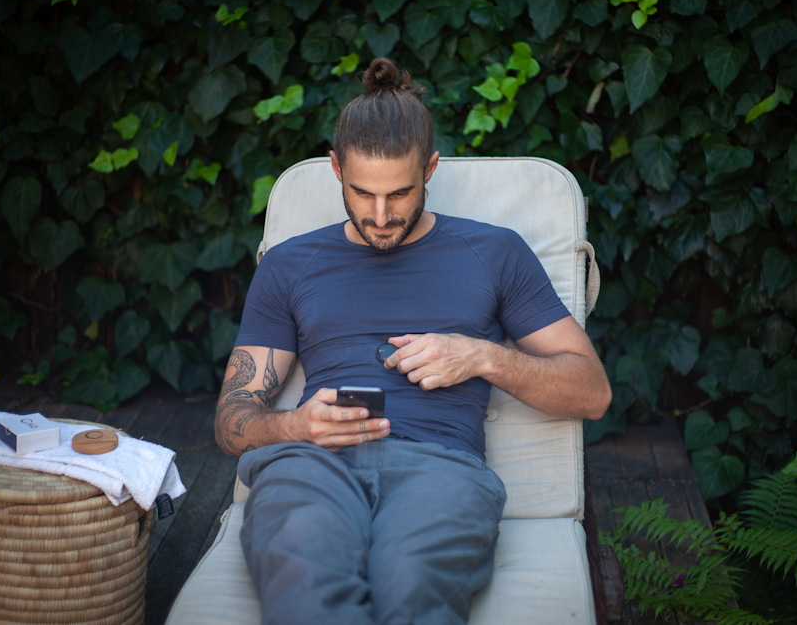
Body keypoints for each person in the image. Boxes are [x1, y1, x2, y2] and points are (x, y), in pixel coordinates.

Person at [214, 57, 612, 625]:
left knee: (412, 585)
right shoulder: (289, 265)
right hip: (310, 463)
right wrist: (291, 427)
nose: (380, 216)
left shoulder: (494, 252)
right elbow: (232, 417)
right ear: (334, 169)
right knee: (305, 581)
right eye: (362, 193)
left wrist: (483, 356)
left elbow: (592, 392)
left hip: (440, 467)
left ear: (430, 168)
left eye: (400, 193)